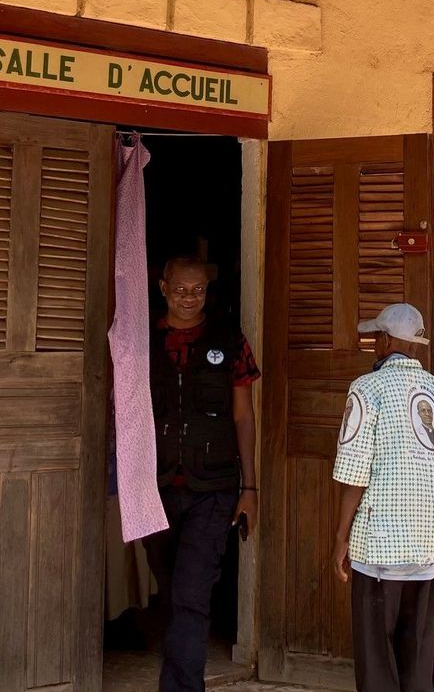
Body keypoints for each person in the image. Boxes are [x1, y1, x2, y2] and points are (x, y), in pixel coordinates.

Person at [331, 302, 434, 692]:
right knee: (418, 651)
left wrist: (341, 537)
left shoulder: (366, 389)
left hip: (377, 551)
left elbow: (353, 474)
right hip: (426, 550)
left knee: (376, 657)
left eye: (376, 336)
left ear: (385, 340)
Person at [142, 256, 260, 692]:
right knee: (170, 592)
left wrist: (249, 487)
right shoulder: (144, 341)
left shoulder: (229, 341)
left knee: (191, 595)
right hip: (155, 487)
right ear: (163, 287)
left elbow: (244, 418)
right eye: (181, 289)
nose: (189, 298)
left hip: (213, 489)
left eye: (198, 290)